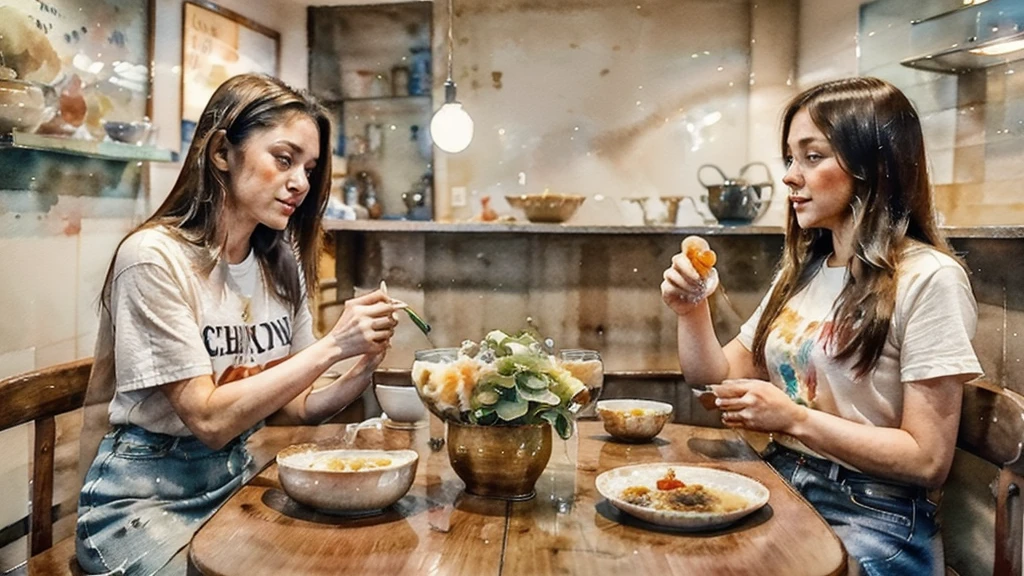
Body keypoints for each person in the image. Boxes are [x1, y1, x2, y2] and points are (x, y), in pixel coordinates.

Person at [75, 74, 401, 575]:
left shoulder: (279, 261)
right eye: (284, 159)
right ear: (222, 152)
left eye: (310, 169)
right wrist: (334, 345)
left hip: (234, 482)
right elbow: (209, 421)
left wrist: (359, 370)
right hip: (138, 506)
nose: (301, 183)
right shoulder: (154, 258)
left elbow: (294, 408)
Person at [661, 77, 981, 575]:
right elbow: (715, 377)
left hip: (874, 518)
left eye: (812, 157)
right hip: (785, 482)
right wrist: (691, 309)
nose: (791, 176)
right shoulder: (809, 270)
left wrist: (793, 419)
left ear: (875, 165)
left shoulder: (929, 279)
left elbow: (926, 459)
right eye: (789, 158)